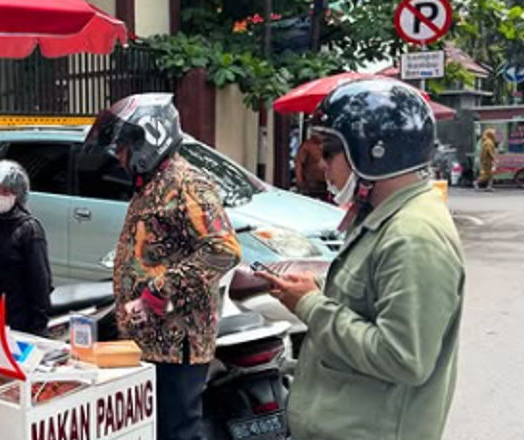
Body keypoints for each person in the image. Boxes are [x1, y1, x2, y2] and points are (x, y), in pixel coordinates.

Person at [256, 79, 464, 440]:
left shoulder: (413, 237)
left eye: (330, 153)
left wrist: (311, 305)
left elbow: (403, 357)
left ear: (372, 152)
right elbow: (364, 304)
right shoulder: (382, 218)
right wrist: (310, 290)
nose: (323, 167)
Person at [84, 93, 242, 440]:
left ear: (148, 138)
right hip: (149, 339)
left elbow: (223, 249)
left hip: (177, 340)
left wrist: (159, 290)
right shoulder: (154, 183)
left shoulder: (186, 183)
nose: (119, 157)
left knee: (177, 431)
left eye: (124, 148)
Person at [0, 160, 52, 335]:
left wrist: (38, 325)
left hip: (21, 320)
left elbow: (40, 282)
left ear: (17, 194)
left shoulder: (29, 229)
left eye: (5, 191)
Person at [294, 129, 329, 201]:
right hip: (311, 183)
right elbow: (299, 164)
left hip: (327, 183)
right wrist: (300, 181)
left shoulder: (328, 145)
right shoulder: (307, 146)